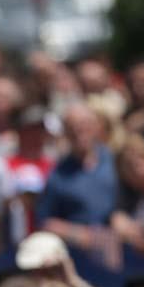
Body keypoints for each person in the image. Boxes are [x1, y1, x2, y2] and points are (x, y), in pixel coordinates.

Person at [37, 104, 119, 248]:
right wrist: (81, 234)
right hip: (82, 257)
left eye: (84, 125)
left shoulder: (116, 161)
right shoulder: (58, 174)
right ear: (65, 133)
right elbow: (46, 222)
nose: (78, 132)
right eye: (72, 127)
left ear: (96, 127)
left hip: (124, 252)